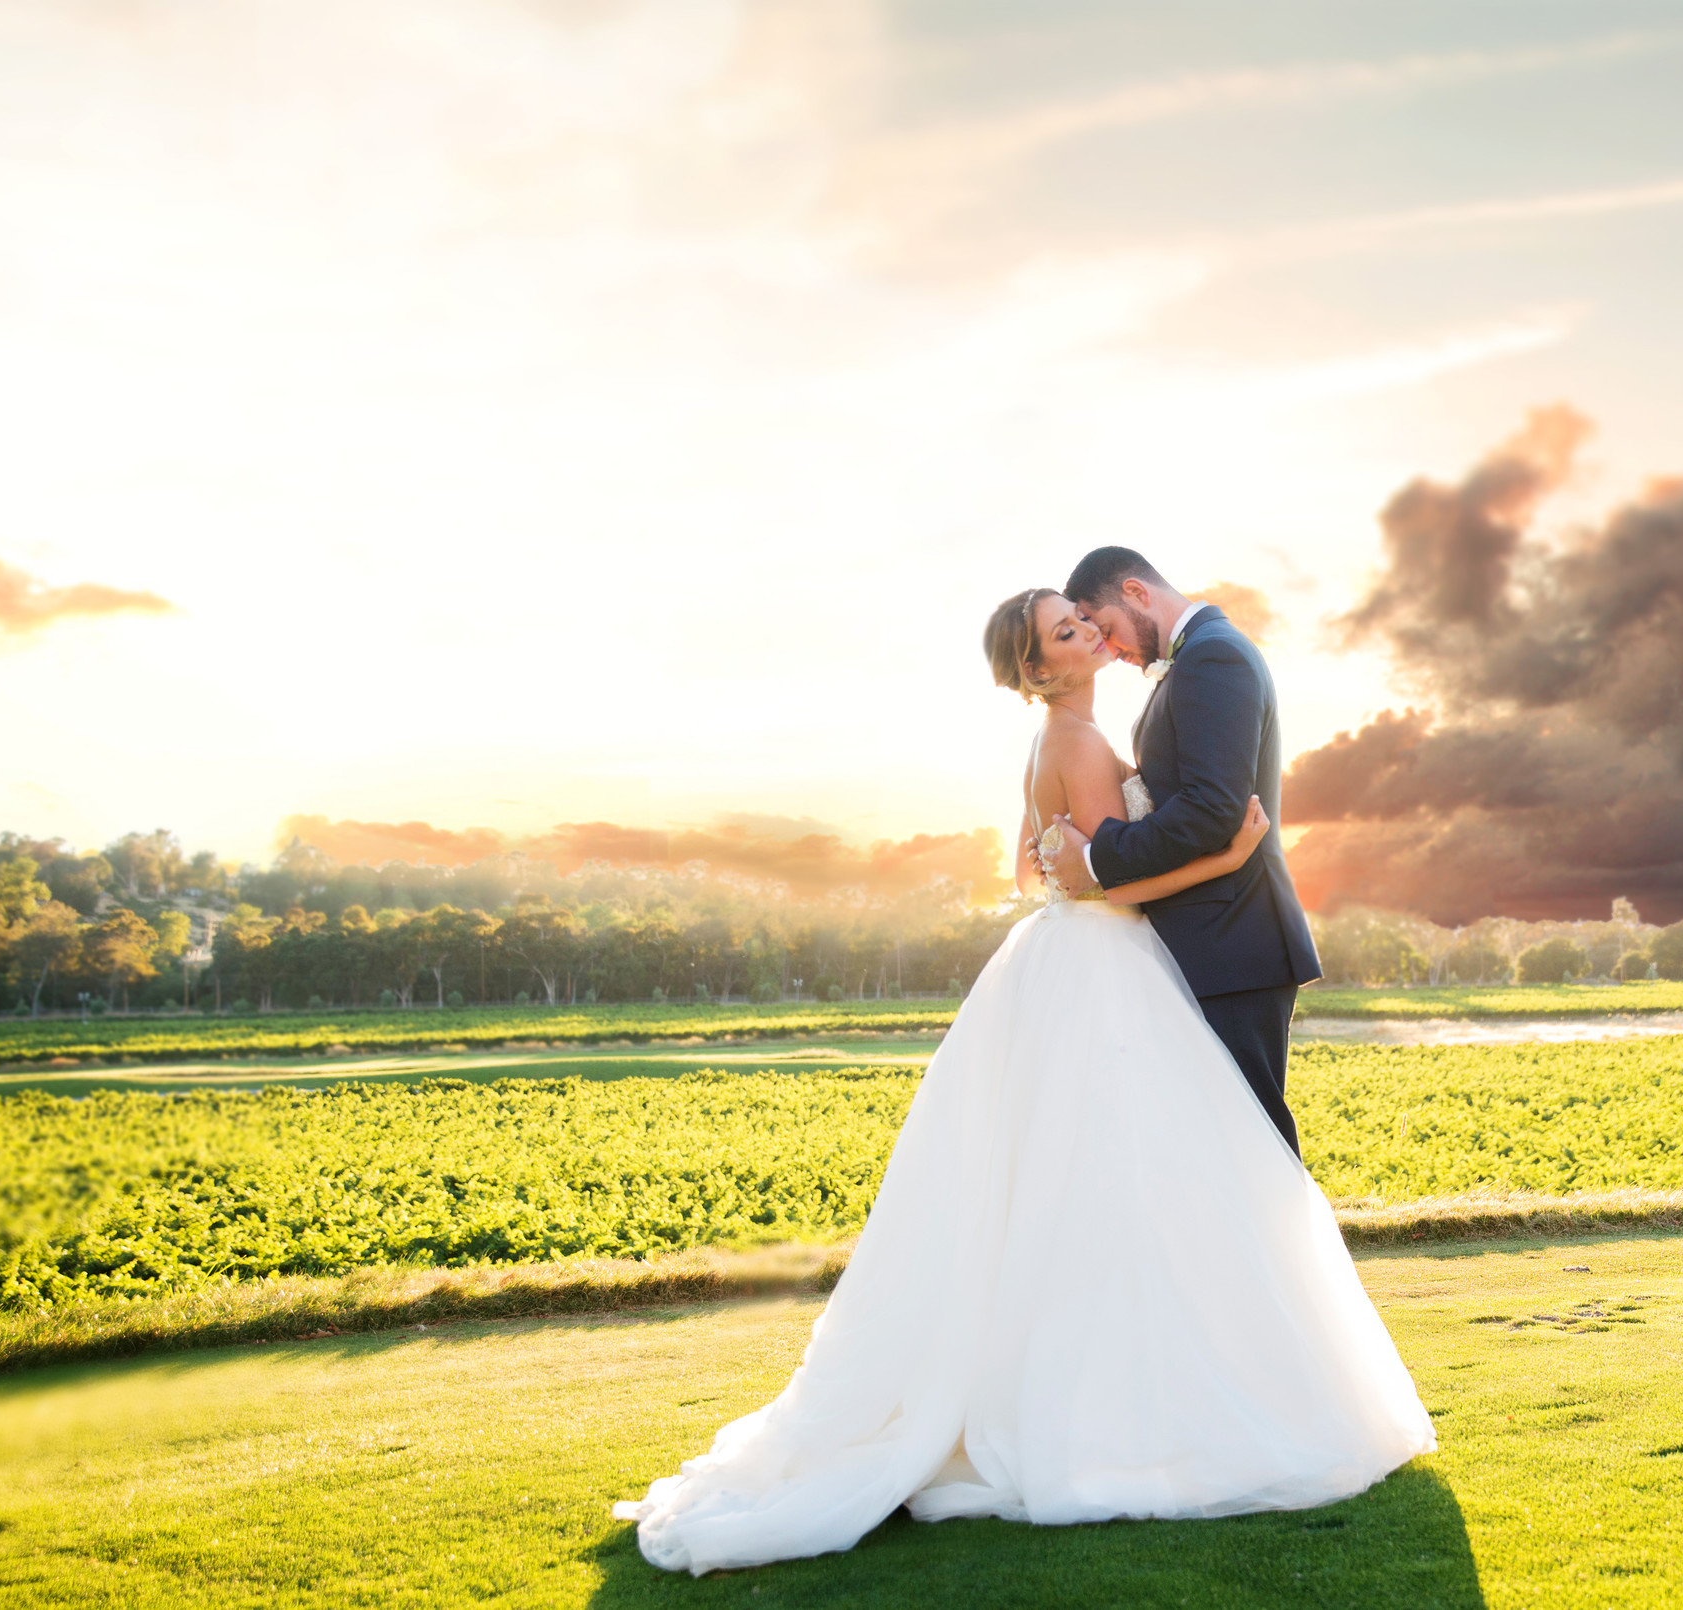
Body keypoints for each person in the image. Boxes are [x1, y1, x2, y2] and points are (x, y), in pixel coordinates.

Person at [609, 587, 1433, 1576]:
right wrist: (1233, 849)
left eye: (1079, 618)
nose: (1085, 630)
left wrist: (1093, 859)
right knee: (1125, 1179)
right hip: (1104, 967)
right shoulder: (1078, 742)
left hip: (1071, 960)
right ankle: (1119, 1410)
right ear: (1039, 667)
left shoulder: (1063, 736)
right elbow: (1105, 880)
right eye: (1062, 629)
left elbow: (1041, 867)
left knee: (1075, 1183)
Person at [1042, 546, 1321, 1155]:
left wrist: (1094, 858)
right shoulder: (1195, 661)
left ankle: (1281, 1254)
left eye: (1108, 629)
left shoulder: (1214, 656)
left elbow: (1211, 810)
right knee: (1215, 1149)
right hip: (1208, 942)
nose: (1110, 649)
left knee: (1253, 1147)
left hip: (1233, 942)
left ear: (1138, 592)